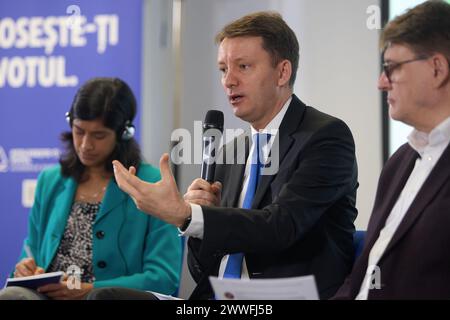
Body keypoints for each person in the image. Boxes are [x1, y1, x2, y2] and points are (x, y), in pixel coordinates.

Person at [91, 11, 358, 300]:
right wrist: (196, 223)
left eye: (243, 66)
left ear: (282, 72)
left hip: (281, 299)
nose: (229, 81)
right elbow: (204, 271)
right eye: (222, 69)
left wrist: (189, 215)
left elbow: (280, 226)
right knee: (106, 298)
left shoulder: (325, 137)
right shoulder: (231, 152)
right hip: (220, 301)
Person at [0, 77, 182, 300]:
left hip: (109, 298)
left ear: (124, 134)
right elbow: (31, 252)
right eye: (79, 131)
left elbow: (163, 277)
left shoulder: (150, 182)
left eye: (98, 135)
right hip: (49, 296)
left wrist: (89, 289)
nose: (86, 145)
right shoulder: (51, 180)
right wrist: (24, 269)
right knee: (12, 295)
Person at [333, 1, 450, 300]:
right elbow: (364, 274)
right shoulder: (400, 162)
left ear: (437, 68)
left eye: (391, 68)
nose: (381, 83)